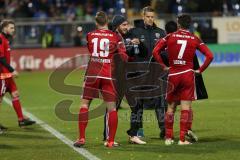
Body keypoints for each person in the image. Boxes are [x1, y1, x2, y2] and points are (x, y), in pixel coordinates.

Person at [152, 14, 214, 145]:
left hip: (173, 74)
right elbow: (210, 55)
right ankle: (182, 139)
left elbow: (155, 51)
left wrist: (164, 66)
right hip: (187, 75)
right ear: (190, 25)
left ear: (178, 24)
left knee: (171, 107)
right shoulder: (194, 38)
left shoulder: (169, 36)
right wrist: (200, 70)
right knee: (185, 108)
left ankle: (168, 138)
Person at [73, 11, 128, 148]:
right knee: (112, 108)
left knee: (84, 104)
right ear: (107, 22)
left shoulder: (90, 35)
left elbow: (91, 52)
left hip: (92, 74)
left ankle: (81, 138)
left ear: (96, 23)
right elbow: (124, 56)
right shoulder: (115, 36)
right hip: (108, 74)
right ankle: (110, 141)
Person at [103, 15, 147, 145]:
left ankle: (133, 134)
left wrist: (140, 44)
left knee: (137, 105)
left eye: (127, 24)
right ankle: (107, 137)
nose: (126, 27)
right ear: (117, 26)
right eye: (123, 25)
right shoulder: (111, 38)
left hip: (132, 76)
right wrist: (130, 48)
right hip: (117, 77)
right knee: (113, 107)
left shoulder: (130, 36)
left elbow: (143, 53)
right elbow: (115, 54)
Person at [129, 6, 167, 139]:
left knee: (160, 102)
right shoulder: (134, 32)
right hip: (139, 72)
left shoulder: (161, 33)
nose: (150, 19)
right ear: (143, 16)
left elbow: (166, 52)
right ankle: (138, 130)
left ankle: (164, 130)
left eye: (152, 17)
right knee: (138, 103)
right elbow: (129, 51)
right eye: (148, 17)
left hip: (156, 73)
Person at [0, 19, 36, 127]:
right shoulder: (1, 39)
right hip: (2, 75)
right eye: (11, 28)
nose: (13, 30)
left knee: (15, 94)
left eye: (13, 28)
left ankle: (21, 120)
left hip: (7, 75)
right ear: (4, 28)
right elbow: (0, 57)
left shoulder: (6, 39)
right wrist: (12, 69)